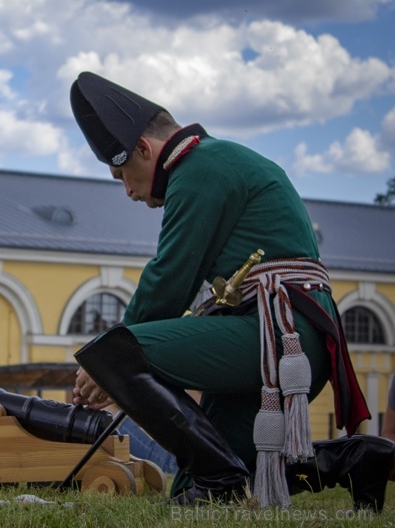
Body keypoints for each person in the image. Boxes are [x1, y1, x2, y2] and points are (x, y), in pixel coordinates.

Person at [68, 71, 394, 511]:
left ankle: (219, 478)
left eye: (122, 174)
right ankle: (355, 460)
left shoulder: (198, 169)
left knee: (115, 351)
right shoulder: (219, 161)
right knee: (207, 485)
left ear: (144, 150)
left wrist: (104, 364)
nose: (127, 190)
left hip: (281, 338)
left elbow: (169, 279)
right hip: (279, 337)